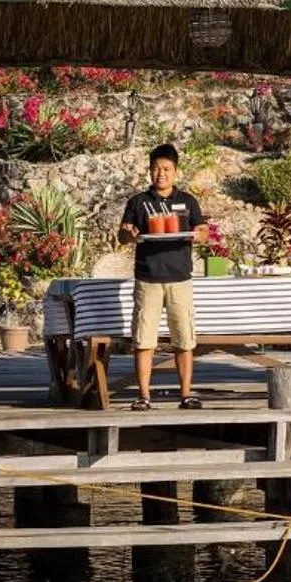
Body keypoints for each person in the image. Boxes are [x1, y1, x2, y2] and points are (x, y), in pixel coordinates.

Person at [116, 143, 207, 408]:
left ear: (175, 171)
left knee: (184, 338)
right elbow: (123, 234)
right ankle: (143, 396)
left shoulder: (187, 201)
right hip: (148, 279)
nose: (161, 174)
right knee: (144, 340)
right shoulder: (139, 202)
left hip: (180, 278)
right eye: (156, 169)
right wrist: (129, 235)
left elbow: (202, 230)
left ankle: (186, 394)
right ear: (149, 171)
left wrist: (197, 234)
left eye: (166, 169)